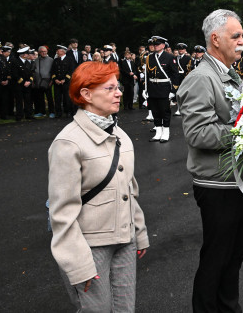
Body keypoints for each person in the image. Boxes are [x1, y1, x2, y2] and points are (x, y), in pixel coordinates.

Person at [48, 61, 149, 312]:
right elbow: (62, 213)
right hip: (90, 246)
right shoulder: (68, 143)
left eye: (119, 87)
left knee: (125, 308)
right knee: (97, 309)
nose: (119, 93)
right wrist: (78, 264)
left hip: (124, 240)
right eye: (110, 88)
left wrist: (140, 232)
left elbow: (129, 190)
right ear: (86, 94)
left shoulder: (121, 136)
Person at [177, 9, 243, 313]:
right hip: (218, 183)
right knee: (217, 258)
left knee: (233, 258)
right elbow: (198, 134)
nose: (242, 41)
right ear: (215, 39)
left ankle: (229, 308)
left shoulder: (230, 74)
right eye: (236, 36)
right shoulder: (200, 78)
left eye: (242, 36)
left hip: (239, 180)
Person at [145, 36, 179, 142]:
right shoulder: (149, 57)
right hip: (152, 88)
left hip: (164, 88)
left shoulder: (169, 57)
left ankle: (166, 133)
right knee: (155, 111)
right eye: (154, 45)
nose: (155, 46)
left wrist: (173, 91)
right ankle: (158, 132)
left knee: (164, 111)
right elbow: (147, 75)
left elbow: (175, 75)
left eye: (157, 44)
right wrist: (145, 89)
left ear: (163, 46)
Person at [10, 46, 35, 121]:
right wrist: (23, 82)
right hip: (19, 85)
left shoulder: (28, 62)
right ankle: (19, 115)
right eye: (28, 54)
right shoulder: (15, 62)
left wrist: (29, 81)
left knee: (28, 100)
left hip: (27, 85)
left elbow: (31, 74)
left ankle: (28, 114)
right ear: (24, 55)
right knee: (19, 101)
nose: (28, 55)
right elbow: (15, 74)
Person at [51, 45, 73, 118]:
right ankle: (58, 112)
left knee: (67, 98)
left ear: (63, 51)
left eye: (58, 50)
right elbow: (52, 71)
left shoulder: (69, 59)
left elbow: (71, 71)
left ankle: (68, 111)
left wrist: (65, 80)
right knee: (57, 98)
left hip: (66, 82)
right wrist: (55, 79)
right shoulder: (55, 60)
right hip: (57, 83)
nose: (57, 51)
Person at [33, 46, 54, 118]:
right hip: (38, 82)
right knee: (40, 98)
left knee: (49, 98)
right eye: (42, 51)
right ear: (39, 52)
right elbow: (33, 70)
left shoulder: (51, 60)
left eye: (45, 51)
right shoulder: (36, 60)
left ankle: (52, 112)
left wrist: (51, 81)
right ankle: (42, 112)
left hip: (48, 82)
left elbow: (53, 71)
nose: (44, 52)